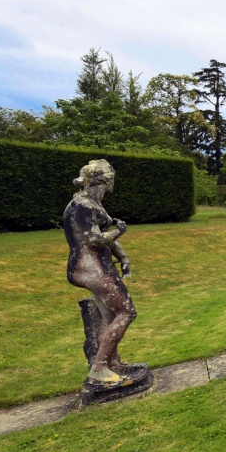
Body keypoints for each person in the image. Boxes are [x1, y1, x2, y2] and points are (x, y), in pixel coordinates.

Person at [63, 159, 137, 384]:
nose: (113, 182)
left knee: (110, 314)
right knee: (127, 312)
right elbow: (95, 239)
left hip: (94, 266)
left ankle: (111, 363)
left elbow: (102, 235)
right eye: (111, 178)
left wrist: (123, 257)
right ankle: (99, 367)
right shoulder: (83, 206)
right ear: (104, 180)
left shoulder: (89, 204)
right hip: (90, 267)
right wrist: (119, 231)